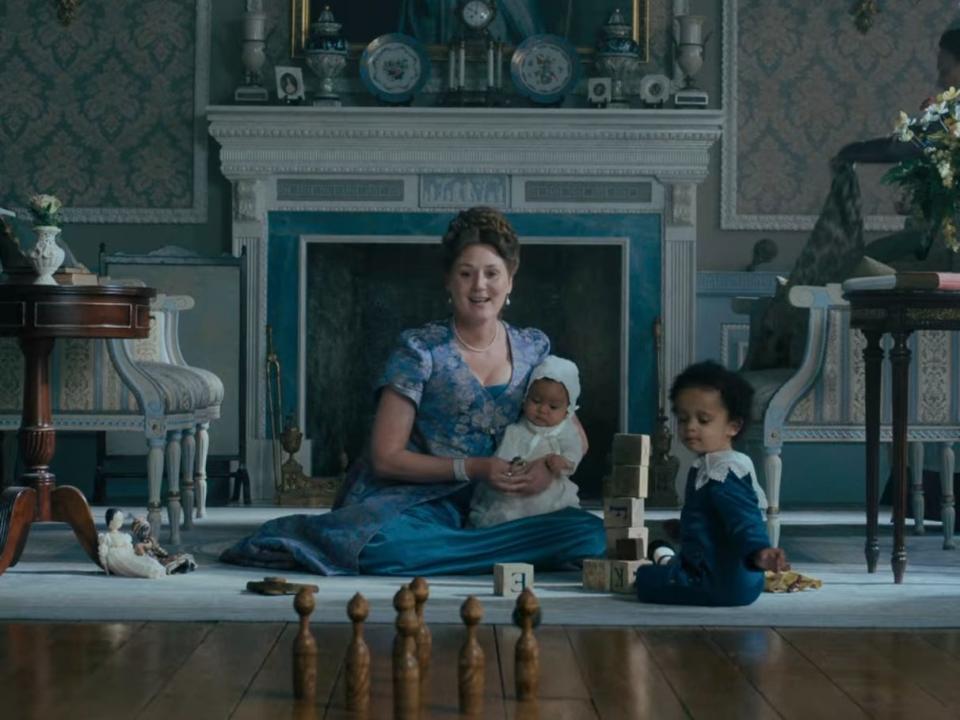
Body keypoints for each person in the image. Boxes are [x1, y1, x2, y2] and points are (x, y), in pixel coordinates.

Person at [221, 206, 605, 575]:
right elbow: (385, 458)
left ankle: (470, 551)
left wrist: (547, 470)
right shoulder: (420, 349)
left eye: (492, 273)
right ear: (448, 280)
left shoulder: (533, 348)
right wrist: (475, 468)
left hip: (503, 505)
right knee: (384, 543)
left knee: (589, 532)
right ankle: (501, 552)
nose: (479, 286)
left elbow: (574, 435)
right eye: (466, 273)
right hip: (419, 501)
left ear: (511, 279)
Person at [634, 361, 789, 607]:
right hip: (738, 581)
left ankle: (665, 560)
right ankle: (665, 556)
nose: (690, 427)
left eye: (703, 420)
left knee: (643, 579)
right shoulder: (709, 466)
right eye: (683, 419)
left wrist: (760, 551)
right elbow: (716, 521)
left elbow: (744, 520)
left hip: (718, 584)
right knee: (662, 560)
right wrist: (685, 527)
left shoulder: (725, 473)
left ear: (733, 426)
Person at [468, 354, 583, 528]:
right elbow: (504, 454)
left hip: (550, 493)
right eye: (536, 401)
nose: (543, 410)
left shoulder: (565, 431)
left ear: (567, 411)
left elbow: (574, 449)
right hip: (515, 490)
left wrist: (563, 461)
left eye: (553, 407)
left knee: (560, 519)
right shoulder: (516, 430)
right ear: (524, 400)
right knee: (505, 513)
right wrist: (511, 466)